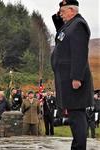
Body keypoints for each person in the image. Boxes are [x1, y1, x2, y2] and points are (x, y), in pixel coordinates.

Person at [51, 0, 94, 149]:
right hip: (66, 79)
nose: (61, 15)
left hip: (74, 79)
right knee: (74, 117)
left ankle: (79, 147)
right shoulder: (69, 26)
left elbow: (80, 53)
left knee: (77, 116)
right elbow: (60, 34)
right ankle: (77, 145)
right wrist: (58, 16)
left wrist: (77, 77)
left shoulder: (78, 25)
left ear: (71, 10)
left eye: (63, 12)